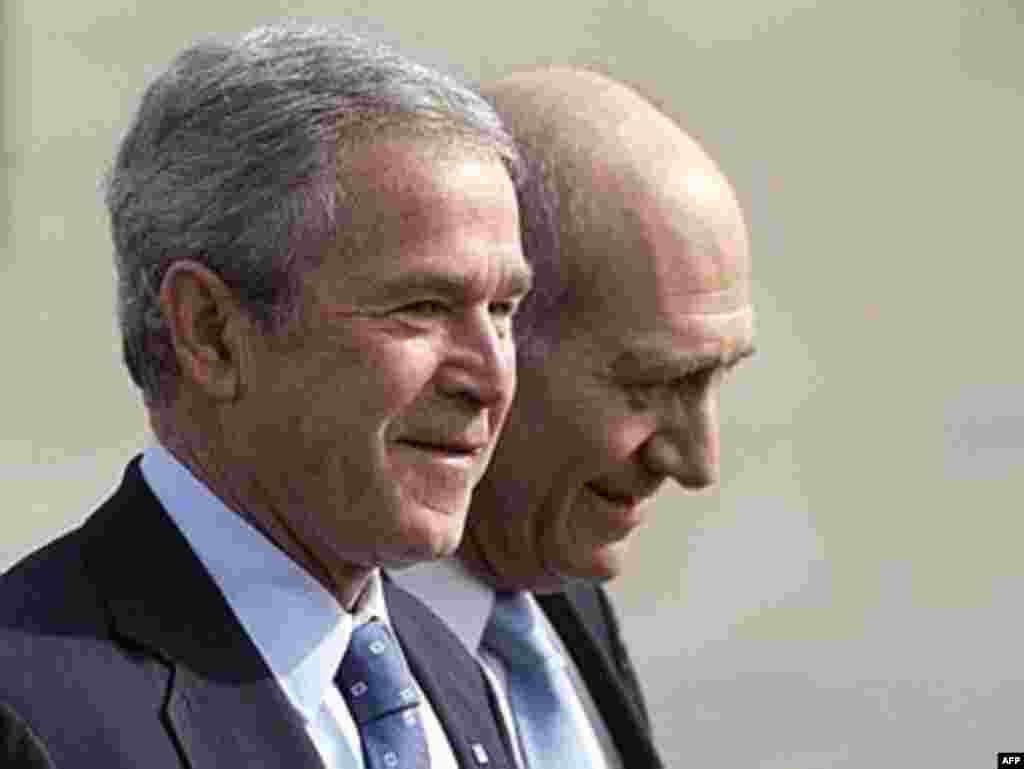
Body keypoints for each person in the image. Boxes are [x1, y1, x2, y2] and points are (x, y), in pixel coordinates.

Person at [0, 23, 534, 769]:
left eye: (503, 310)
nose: (489, 374)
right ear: (212, 331)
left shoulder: (445, 670)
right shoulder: (29, 710)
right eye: (422, 305)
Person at [392, 68, 756, 769]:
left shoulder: (556, 587)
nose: (698, 460)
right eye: (652, 385)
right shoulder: (303, 675)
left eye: (719, 375)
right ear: (488, 340)